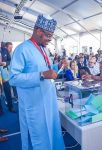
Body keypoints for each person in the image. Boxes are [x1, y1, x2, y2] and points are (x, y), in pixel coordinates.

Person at [9, 14, 65, 150]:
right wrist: (41, 75)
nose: (50, 39)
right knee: (38, 139)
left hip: (48, 100)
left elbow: (46, 69)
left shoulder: (43, 48)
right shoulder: (22, 49)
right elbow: (13, 78)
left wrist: (58, 66)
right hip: (34, 106)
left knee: (52, 132)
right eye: (48, 35)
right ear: (38, 31)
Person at [0, 42, 15, 113]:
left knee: (7, 90)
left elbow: (10, 61)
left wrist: (5, 63)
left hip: (4, 71)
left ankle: (10, 107)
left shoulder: (4, 50)